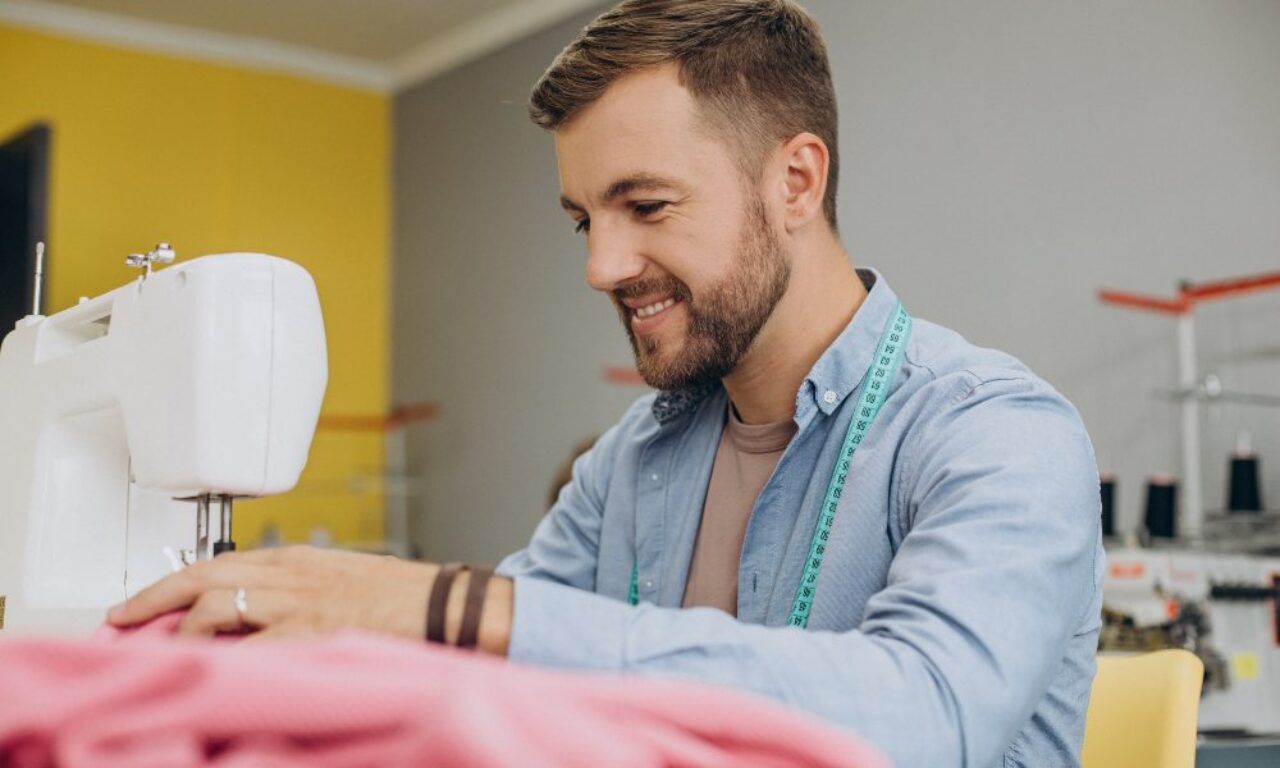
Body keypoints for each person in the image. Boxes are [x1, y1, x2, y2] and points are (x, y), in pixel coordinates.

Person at [109, 2, 1103, 766]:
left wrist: (451, 606)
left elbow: (925, 718)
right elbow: (471, 683)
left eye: (645, 204)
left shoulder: (995, 433)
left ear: (795, 182)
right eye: (586, 219)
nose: (600, 265)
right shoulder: (635, 460)